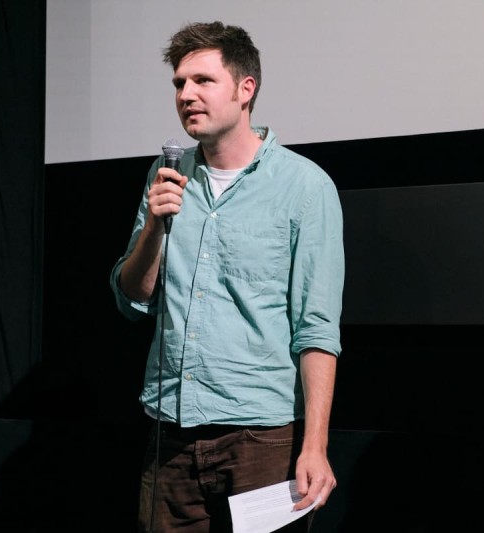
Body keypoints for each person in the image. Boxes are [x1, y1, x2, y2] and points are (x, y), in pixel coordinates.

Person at [109, 21, 344, 532]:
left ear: (245, 89)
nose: (186, 95)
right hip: (168, 429)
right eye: (178, 84)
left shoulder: (305, 186)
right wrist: (153, 226)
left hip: (260, 437)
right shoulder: (165, 175)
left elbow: (317, 327)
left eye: (202, 81)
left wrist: (315, 445)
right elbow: (133, 298)